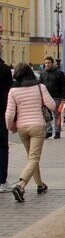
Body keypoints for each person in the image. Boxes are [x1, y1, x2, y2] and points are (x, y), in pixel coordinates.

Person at [5, 63, 55, 201]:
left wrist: (11, 127)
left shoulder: (13, 91)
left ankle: (40, 184)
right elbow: (52, 105)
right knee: (34, 158)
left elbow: (9, 114)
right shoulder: (40, 87)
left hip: (22, 127)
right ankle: (21, 186)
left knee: (31, 157)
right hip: (37, 126)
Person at [39, 55, 65, 139]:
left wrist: (64, 98)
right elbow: (40, 85)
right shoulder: (42, 73)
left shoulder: (59, 73)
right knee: (46, 115)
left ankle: (57, 132)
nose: (47, 64)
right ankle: (49, 131)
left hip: (57, 98)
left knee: (57, 115)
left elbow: (63, 86)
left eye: (49, 63)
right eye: (46, 63)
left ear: (52, 63)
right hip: (46, 98)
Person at [0, 42, 13, 192]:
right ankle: (2, 181)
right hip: (1, 112)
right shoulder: (4, 69)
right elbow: (8, 92)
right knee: (3, 147)